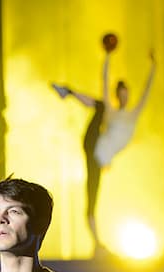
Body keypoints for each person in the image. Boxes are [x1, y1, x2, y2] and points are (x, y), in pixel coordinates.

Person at [52, 40, 156, 255]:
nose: (124, 96)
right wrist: (108, 56)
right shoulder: (111, 112)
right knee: (100, 105)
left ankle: (97, 244)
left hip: (98, 158)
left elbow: (147, 90)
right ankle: (67, 91)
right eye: (121, 93)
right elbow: (104, 81)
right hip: (93, 145)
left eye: (126, 93)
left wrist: (154, 66)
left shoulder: (133, 115)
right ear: (118, 95)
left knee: (92, 197)